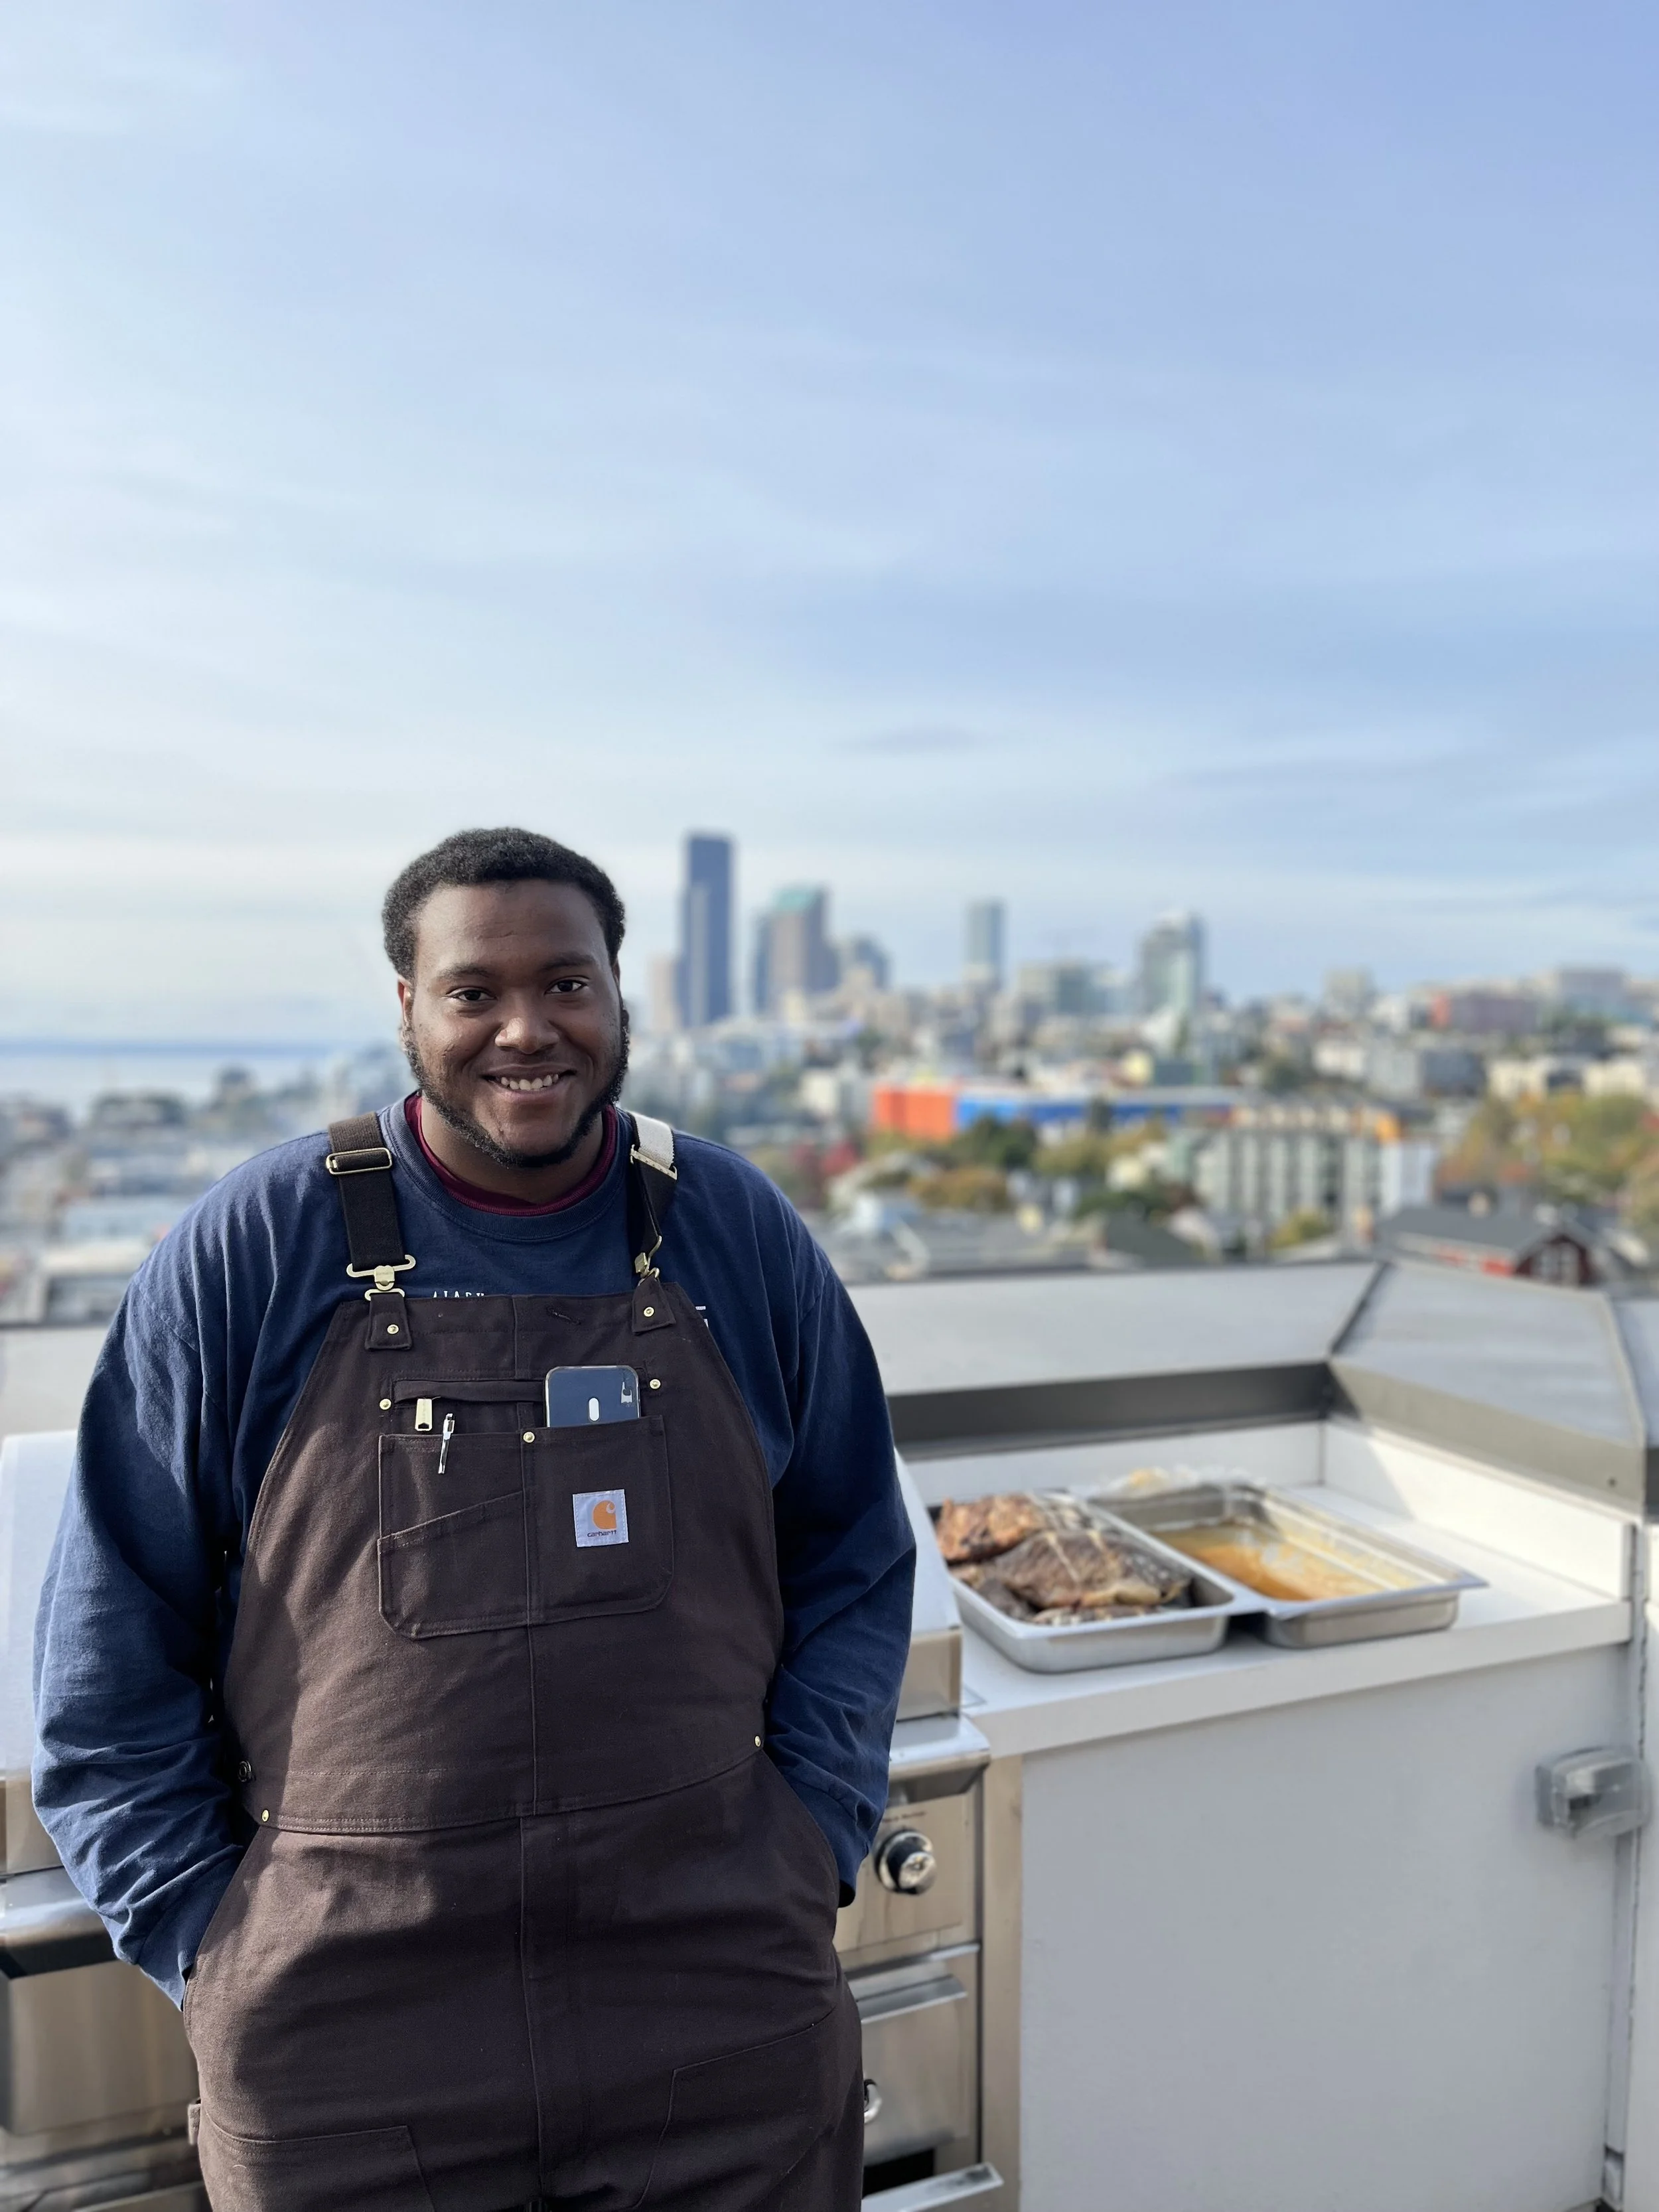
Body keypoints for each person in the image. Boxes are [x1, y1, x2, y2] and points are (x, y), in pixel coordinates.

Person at [34, 826, 915, 2212]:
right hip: (345, 2041)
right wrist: (216, 1944)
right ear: (408, 1008)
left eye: (566, 983)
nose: (525, 1028)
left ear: (621, 997)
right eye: (473, 991)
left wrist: (807, 1834)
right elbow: (109, 1638)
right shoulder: (256, 1242)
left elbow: (856, 1554)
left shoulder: (732, 1227)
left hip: (711, 1994)